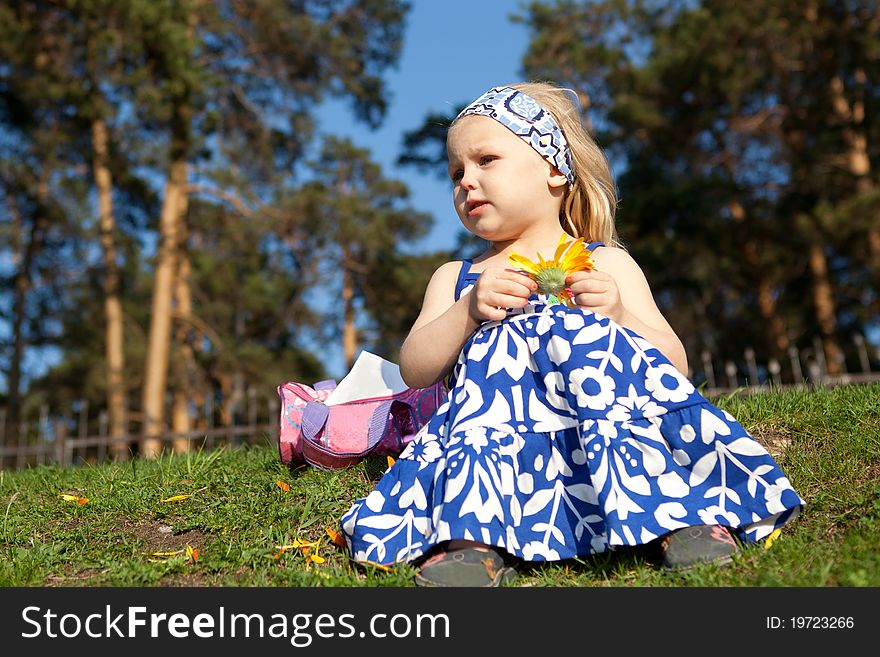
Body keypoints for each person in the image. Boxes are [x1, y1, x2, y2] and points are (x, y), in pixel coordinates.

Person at [339, 82, 804, 586]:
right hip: (496, 435)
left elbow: (675, 367)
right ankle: (474, 546)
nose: (466, 182)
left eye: (486, 160)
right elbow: (416, 368)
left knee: (629, 424)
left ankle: (681, 522)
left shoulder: (606, 262)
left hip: (603, 421)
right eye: (456, 173)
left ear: (555, 170)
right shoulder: (457, 278)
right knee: (475, 453)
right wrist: (467, 312)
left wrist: (621, 313)